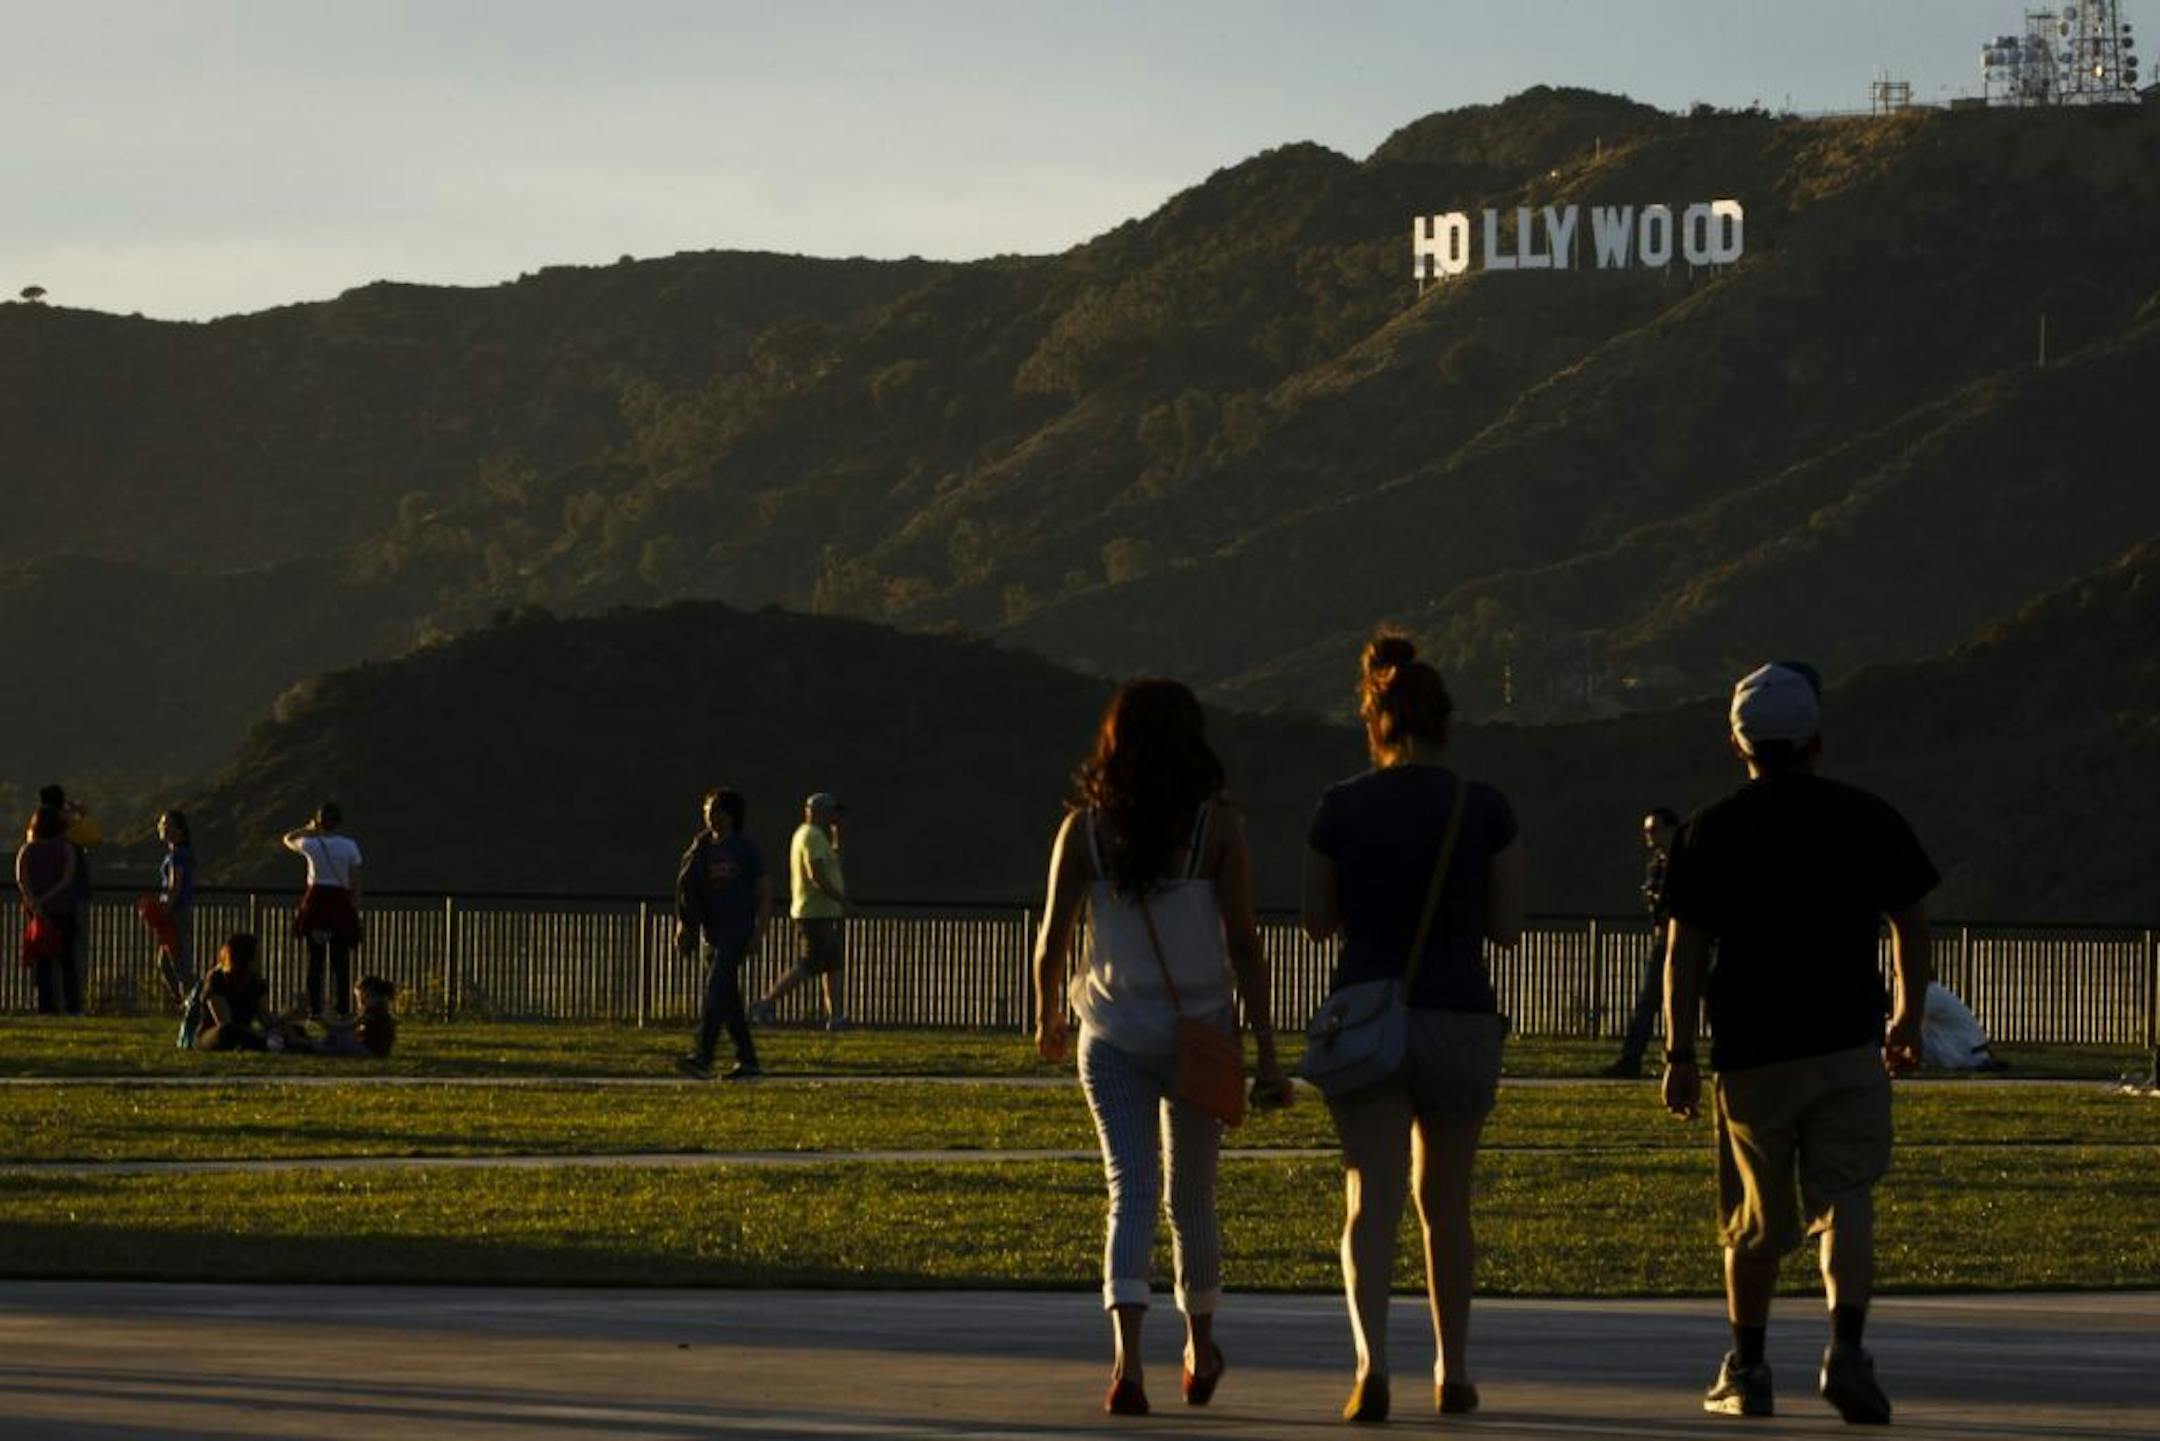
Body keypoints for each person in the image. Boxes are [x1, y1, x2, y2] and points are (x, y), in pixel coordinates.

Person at [1659, 661, 1934, 1424]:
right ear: (1816, 738)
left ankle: (1748, 1368)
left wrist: (1679, 1053)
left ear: (1738, 743)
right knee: (1845, 1195)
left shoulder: (1709, 829)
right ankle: (1846, 1347)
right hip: (1847, 1036)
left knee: (1751, 1220)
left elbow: (1687, 951)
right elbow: (1909, 921)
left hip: (1752, 1050)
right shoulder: (1865, 816)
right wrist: (1906, 1018)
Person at [1032, 678, 1289, 1417]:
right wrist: (1266, 1049)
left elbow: (1053, 939)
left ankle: (1127, 1366)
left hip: (1109, 1034)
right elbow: (1243, 942)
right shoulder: (1217, 828)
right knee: (1194, 1199)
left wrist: (1047, 1014)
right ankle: (1200, 1345)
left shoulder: (1082, 831)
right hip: (1200, 1034)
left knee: (1130, 1192)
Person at [1301, 632, 1525, 1423]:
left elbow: (1319, 921)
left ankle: (1372, 1366)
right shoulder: (1484, 806)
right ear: (1444, 720)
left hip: (1369, 1016)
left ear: (1376, 720)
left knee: (1371, 1199)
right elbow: (1507, 927)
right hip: (1461, 1015)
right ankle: (1454, 1368)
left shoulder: (1340, 806)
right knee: (1448, 1203)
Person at [673, 786, 770, 1080]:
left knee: (715, 990)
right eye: (706, 811)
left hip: (736, 931)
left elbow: (764, 892)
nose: (709, 816)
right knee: (728, 1001)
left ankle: (703, 1056)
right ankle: (748, 1060)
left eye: (714, 810)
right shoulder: (701, 848)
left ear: (728, 815)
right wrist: (684, 925)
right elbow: (688, 891)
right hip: (710, 934)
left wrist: (758, 932)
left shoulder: (745, 848)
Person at [751, 793, 850, 1030]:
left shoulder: (815, 837)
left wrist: (838, 836)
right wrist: (843, 901)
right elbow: (815, 874)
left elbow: (834, 861)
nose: (834, 816)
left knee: (832, 963)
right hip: (815, 911)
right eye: (831, 812)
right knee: (811, 962)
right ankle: (765, 1003)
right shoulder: (812, 836)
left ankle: (835, 1016)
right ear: (817, 812)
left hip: (824, 912)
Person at [1603, 805, 1681, 1077]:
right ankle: (1631, 1058)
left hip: (1684, 939)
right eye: (1647, 830)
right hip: (1662, 938)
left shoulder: (1684, 861)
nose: (1648, 835)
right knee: (1648, 1002)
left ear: (1670, 830)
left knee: (1698, 1000)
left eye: (1654, 829)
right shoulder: (1656, 864)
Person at [283, 802, 364, 1019]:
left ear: (319, 821)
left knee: (315, 960)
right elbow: (355, 880)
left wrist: (308, 829)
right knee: (340, 962)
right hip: (340, 902)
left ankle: (315, 1008)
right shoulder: (350, 846)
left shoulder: (311, 844)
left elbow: (288, 838)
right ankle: (343, 1009)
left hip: (316, 902)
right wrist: (355, 906)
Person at [16, 805, 83, 1015]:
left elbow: (21, 879)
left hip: (38, 914)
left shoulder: (27, 850)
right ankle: (72, 1006)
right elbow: (67, 878)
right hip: (62, 910)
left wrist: (34, 902)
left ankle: (46, 1006)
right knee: (67, 962)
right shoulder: (66, 848)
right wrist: (49, 897)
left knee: (42, 963)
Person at [195, 933, 271, 1051]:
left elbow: (265, 1019)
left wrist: (284, 1021)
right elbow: (224, 1021)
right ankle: (264, 1042)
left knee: (292, 1029)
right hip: (214, 1033)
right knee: (227, 1032)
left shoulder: (257, 983)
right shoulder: (217, 980)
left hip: (245, 1032)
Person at [154, 809, 198, 1004]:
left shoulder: (178, 855)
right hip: (177, 910)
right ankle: (184, 1000)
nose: (162, 827)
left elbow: (175, 885)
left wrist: (165, 908)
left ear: (179, 829)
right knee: (167, 961)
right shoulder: (179, 853)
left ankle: (191, 1000)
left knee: (179, 961)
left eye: (167, 824)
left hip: (176, 912)